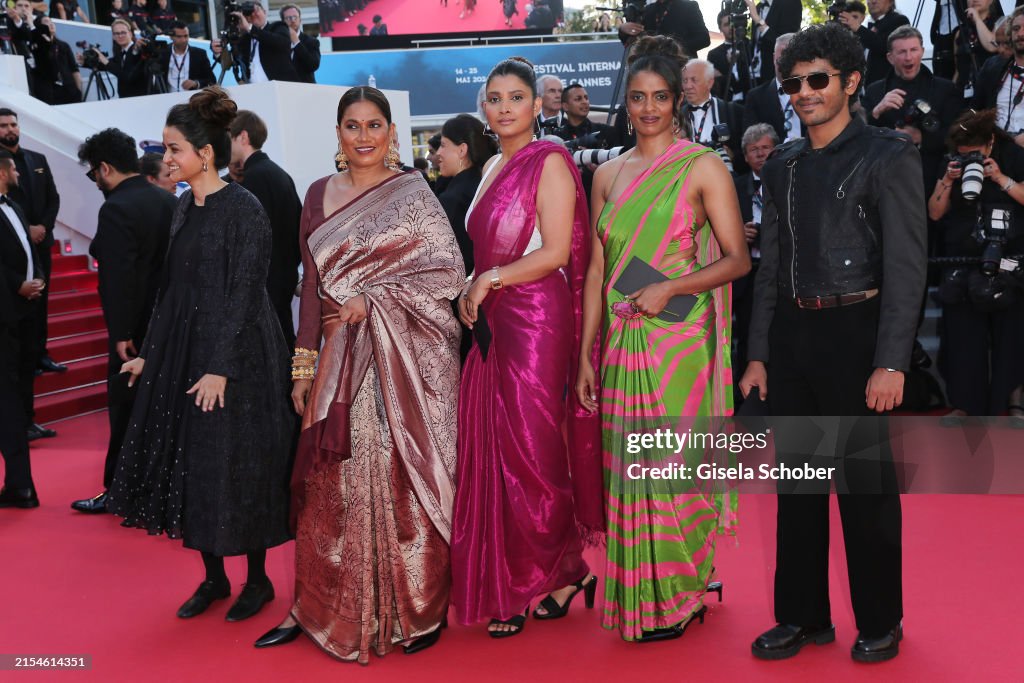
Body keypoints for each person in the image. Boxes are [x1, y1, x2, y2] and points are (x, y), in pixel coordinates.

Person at [252, 87, 464, 663]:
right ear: (338, 133)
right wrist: (302, 366)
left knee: (400, 478)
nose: (364, 136)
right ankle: (317, 609)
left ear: (392, 132)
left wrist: (377, 299)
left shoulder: (414, 193)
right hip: (336, 356)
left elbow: (447, 274)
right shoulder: (318, 194)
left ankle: (417, 607)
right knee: (330, 483)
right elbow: (312, 289)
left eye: (375, 125)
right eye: (353, 126)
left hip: (405, 362)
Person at [740, 22, 926, 663]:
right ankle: (802, 616)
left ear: (850, 82)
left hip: (858, 333)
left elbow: (907, 267)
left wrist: (890, 361)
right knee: (797, 488)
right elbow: (772, 265)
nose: (804, 93)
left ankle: (882, 619)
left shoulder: (889, 155)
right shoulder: (784, 165)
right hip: (793, 336)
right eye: (794, 82)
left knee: (866, 491)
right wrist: (760, 351)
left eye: (818, 80)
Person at [578, 34, 748, 643]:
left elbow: (736, 260)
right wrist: (584, 357)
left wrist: (669, 289)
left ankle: (683, 589)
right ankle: (646, 592)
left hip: (680, 345)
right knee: (631, 468)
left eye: (660, 98)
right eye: (637, 98)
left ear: (678, 101)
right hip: (622, 345)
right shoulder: (607, 174)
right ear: (624, 102)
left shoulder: (702, 165)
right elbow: (598, 272)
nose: (648, 108)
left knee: (674, 466)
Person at [107, 87, 295, 624]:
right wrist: (153, 355)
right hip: (187, 353)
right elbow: (173, 288)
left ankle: (256, 580)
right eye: (166, 149)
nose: (166, 158)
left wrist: (220, 367)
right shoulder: (182, 206)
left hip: (241, 357)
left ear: (204, 153)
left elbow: (245, 293)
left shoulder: (246, 208)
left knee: (242, 464)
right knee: (192, 464)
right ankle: (213, 577)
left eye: (173, 149)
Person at [451, 56, 603, 638]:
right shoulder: (491, 165)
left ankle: (547, 573)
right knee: (492, 449)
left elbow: (558, 251)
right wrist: (477, 287)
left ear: (538, 106)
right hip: (491, 321)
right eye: (495, 98)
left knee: (532, 454)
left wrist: (489, 280)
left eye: (517, 97)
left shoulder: (552, 161)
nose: (505, 107)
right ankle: (544, 573)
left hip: (536, 318)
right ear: (484, 108)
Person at [70, 129, 175, 515]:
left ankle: (118, 490)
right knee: (163, 409)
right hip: (171, 324)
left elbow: (118, 278)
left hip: (135, 332)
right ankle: (157, 487)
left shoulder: (115, 208)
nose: (95, 181)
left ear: (105, 168)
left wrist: (121, 333)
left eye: (93, 173)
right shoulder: (167, 202)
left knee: (126, 408)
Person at [927, 109, 1024, 419]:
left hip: (1008, 258)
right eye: (963, 153)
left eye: (975, 154)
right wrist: (946, 179)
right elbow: (935, 213)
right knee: (962, 337)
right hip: (962, 257)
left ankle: (1013, 401)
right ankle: (965, 405)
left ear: (991, 142)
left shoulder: (1014, 155)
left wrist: (999, 178)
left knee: (1012, 336)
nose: (968, 158)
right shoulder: (952, 162)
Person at [0, 107, 61, 442]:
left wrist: (41, 227)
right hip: (10, 290)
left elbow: (52, 197)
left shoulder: (36, 158)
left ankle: (41, 352)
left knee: (42, 304)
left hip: (38, 244)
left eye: (13, 123)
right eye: (4, 125)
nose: (11, 129)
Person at [229, 110, 302, 348]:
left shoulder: (255, 178)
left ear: (243, 137)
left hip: (266, 283)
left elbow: (250, 240)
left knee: (272, 349)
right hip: (282, 276)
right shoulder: (277, 174)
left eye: (229, 138)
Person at [863, 25, 961, 193]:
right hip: (886, 180)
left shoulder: (945, 89)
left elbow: (957, 135)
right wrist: (876, 112)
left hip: (930, 177)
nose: (908, 57)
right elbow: (859, 137)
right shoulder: (874, 91)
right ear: (890, 57)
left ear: (922, 51)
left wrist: (921, 137)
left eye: (913, 50)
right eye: (901, 52)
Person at [436, 114, 496, 362]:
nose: (437, 153)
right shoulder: (483, 184)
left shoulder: (455, 196)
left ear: (462, 150)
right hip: (485, 300)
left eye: (442, 145)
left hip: (464, 308)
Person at [0, 149, 41, 510]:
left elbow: (29, 250)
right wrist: (16, 286)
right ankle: (20, 484)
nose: (18, 171)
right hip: (6, 312)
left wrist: (36, 279)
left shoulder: (15, 206)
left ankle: (20, 484)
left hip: (17, 318)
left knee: (8, 402)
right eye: (12, 167)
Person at [732, 123, 778, 397]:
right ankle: (744, 398)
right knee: (748, 336)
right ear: (745, 156)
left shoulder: (788, 179)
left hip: (780, 271)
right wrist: (739, 232)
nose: (760, 154)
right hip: (747, 273)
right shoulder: (734, 185)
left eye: (765, 148)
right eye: (753, 150)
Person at [681, 59, 746, 172]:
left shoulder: (733, 112)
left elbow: (747, 150)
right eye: (685, 80)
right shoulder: (676, 117)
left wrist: (733, 155)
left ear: (710, 82)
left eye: (693, 80)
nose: (688, 86)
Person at [212, 1, 300, 83]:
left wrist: (250, 28)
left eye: (256, 10)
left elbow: (281, 43)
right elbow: (232, 61)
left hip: (279, 87)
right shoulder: (245, 39)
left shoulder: (277, 26)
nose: (253, 14)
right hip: (254, 90)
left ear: (265, 12)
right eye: (249, 13)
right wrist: (218, 52)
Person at [972, 6, 1024, 139]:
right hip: (996, 148)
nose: (1020, 34)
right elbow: (975, 109)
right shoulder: (992, 67)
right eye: (1016, 29)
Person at [742, 33, 803, 144]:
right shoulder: (756, 97)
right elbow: (752, 143)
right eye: (783, 54)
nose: (787, 61)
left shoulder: (813, 90)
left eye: (792, 55)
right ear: (774, 57)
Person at [840, 0, 909, 86]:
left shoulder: (899, 20)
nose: (873, 1)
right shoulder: (868, 26)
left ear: (890, 2)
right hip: (868, 91)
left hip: (889, 88)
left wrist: (857, 27)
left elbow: (886, 46)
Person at [83, 18, 146, 98]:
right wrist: (84, 62)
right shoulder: (119, 54)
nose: (120, 36)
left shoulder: (137, 50)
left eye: (123, 32)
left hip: (141, 98)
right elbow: (103, 66)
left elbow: (126, 75)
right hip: (125, 99)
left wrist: (104, 59)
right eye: (116, 33)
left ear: (130, 34)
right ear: (113, 37)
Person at [745, 0, 801, 86]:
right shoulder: (758, 6)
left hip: (775, 76)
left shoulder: (791, 2)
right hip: (753, 76)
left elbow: (786, 44)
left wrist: (757, 20)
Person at [954, 0, 1003, 100]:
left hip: (990, 91)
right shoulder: (960, 32)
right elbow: (957, 70)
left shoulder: (1000, 24)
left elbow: (992, 46)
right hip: (963, 92)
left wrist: (977, 19)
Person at [30, 16, 82, 104]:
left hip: (69, 90)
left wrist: (79, 91)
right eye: (46, 22)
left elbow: (74, 69)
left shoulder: (64, 45)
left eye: (52, 21)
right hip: (49, 93)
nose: (51, 24)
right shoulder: (36, 47)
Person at [159, 22, 215, 93]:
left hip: (191, 99)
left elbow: (211, 80)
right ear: (171, 37)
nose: (183, 40)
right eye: (179, 37)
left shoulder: (199, 54)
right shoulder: (162, 53)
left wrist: (196, 83)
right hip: (165, 98)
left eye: (186, 36)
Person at [709, 9, 752, 102]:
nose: (731, 27)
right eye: (726, 24)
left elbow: (750, 80)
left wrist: (723, 75)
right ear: (720, 28)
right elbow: (716, 86)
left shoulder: (750, 47)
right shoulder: (714, 55)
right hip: (726, 104)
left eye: (733, 23)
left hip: (751, 101)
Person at [642, 0, 709, 58]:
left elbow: (704, 39)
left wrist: (674, 49)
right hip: (653, 65)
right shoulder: (648, 9)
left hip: (681, 64)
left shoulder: (688, 6)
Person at [281, 5, 320, 84]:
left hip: (306, 88)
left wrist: (296, 42)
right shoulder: (278, 40)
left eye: (295, 17)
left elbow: (313, 65)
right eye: (288, 18)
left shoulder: (311, 41)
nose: (292, 20)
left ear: (300, 19)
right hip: (283, 88)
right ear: (282, 22)